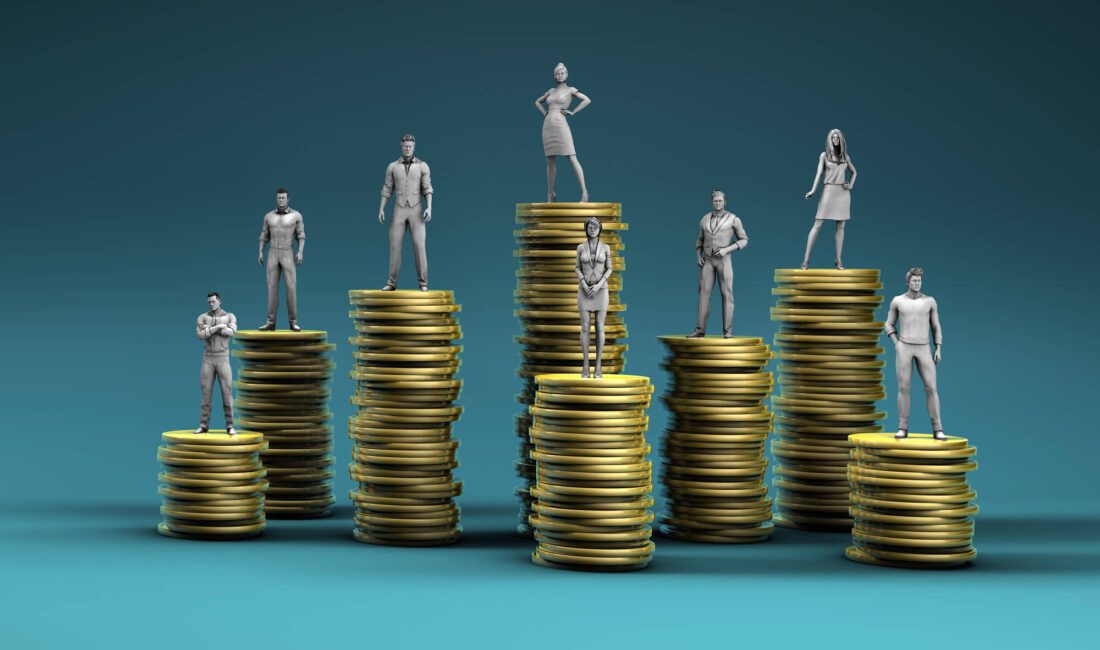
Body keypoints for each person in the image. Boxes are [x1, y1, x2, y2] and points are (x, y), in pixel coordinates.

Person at [885, 267, 946, 440]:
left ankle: (938, 428)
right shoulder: (897, 301)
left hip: (924, 347)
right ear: (908, 282)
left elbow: (936, 325)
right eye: (914, 280)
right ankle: (902, 427)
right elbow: (888, 324)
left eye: (919, 281)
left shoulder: (930, 301)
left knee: (931, 387)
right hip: (904, 345)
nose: (917, 283)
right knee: (904, 387)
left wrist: (938, 347)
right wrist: (896, 343)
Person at [688, 190, 748, 338]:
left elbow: (744, 240)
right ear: (712, 202)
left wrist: (727, 249)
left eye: (720, 201)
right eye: (715, 201)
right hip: (707, 261)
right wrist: (698, 255)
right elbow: (699, 239)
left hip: (724, 261)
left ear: (724, 202)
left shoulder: (734, 219)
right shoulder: (705, 218)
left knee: (727, 294)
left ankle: (728, 332)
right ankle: (700, 329)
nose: (717, 203)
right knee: (703, 294)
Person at [378, 134, 433, 291]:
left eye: (410, 146)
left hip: (416, 209)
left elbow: (427, 188)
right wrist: (381, 208)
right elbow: (387, 188)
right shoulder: (393, 167)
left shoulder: (423, 166)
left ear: (414, 147)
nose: (408, 148)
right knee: (395, 246)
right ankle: (391, 282)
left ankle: (423, 283)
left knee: (419, 246)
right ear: (401, 147)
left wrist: (429, 207)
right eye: (405, 146)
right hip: (399, 209)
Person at [802, 129, 858, 270]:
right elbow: (819, 173)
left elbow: (854, 172)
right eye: (833, 137)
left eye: (837, 138)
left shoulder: (846, 157)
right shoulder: (824, 155)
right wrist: (813, 190)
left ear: (841, 140)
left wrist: (850, 185)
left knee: (841, 226)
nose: (835, 140)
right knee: (818, 224)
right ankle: (806, 259)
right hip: (828, 190)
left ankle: (838, 261)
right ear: (829, 139)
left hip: (843, 193)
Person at [535, 63, 591, 203]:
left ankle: (584, 192)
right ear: (555, 76)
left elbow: (586, 100)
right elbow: (537, 102)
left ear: (566, 75)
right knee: (550, 161)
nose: (560, 75)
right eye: (558, 73)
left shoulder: (571, 90)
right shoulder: (551, 90)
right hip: (548, 125)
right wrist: (545, 112)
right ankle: (549, 194)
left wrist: (573, 112)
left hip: (561, 123)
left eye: (562, 73)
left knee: (572, 157)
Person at [258, 188, 305, 331]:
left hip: (287, 252)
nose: (281, 200)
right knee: (271, 288)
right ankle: (270, 322)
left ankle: (293, 322)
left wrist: (300, 251)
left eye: (283, 198)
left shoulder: (296, 216)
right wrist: (260, 251)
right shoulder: (268, 216)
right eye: (279, 198)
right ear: (276, 199)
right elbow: (264, 235)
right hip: (272, 252)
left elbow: (301, 235)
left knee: (291, 288)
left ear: (288, 199)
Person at [195, 292, 237, 435]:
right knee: (206, 393)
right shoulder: (202, 317)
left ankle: (230, 425)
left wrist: (214, 329)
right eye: (209, 302)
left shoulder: (230, 316)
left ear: (220, 301)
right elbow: (201, 335)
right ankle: (203, 425)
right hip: (208, 358)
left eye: (213, 301)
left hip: (223, 358)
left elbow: (232, 331)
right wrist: (217, 327)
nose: (211, 304)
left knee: (227, 393)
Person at [576, 216, 612, 378]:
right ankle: (585, 365)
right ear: (586, 228)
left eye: (595, 226)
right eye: (590, 226)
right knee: (585, 327)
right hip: (584, 291)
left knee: (599, 326)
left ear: (600, 228)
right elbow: (577, 267)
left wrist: (598, 285)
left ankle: (598, 366)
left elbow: (609, 269)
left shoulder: (605, 247)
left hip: (601, 290)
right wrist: (584, 283)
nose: (592, 228)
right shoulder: (580, 247)